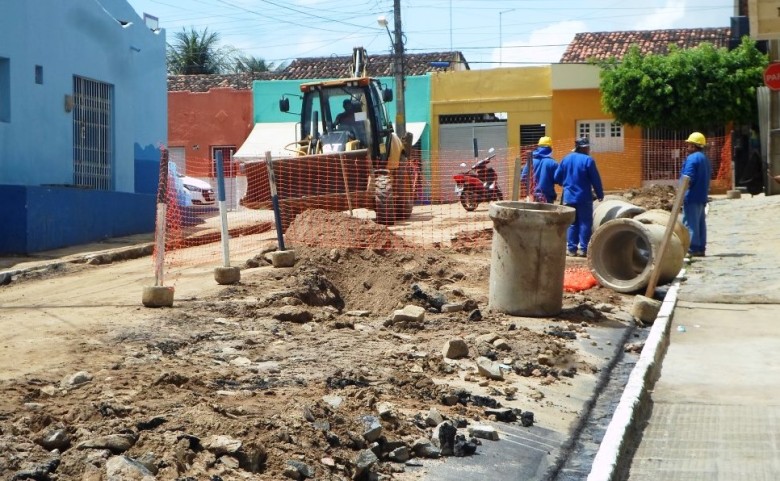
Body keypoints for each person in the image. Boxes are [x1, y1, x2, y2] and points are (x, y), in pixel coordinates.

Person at [554, 137, 604, 257]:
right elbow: (595, 179)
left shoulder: (566, 159)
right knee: (585, 223)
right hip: (584, 197)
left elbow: (556, 177)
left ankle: (571, 249)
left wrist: (565, 184)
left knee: (572, 223)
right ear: (584, 147)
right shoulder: (588, 160)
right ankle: (583, 249)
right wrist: (600, 193)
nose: (589, 149)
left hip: (568, 197)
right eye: (588, 147)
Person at [681, 132, 712, 257]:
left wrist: (681, 193)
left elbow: (688, 177)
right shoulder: (705, 159)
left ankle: (692, 248)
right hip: (701, 196)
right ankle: (700, 248)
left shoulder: (692, 158)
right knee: (700, 223)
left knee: (689, 223)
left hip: (692, 196)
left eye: (689, 145)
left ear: (694, 146)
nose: (687, 147)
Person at [520, 136, 559, 203]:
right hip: (547, 199)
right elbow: (558, 179)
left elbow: (523, 178)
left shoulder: (531, 161)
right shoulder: (553, 163)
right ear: (550, 148)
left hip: (532, 197)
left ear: (538, 147)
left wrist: (532, 187)